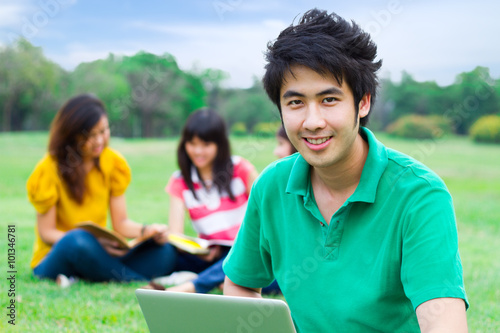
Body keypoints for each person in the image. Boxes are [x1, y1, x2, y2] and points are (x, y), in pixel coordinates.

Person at [223, 8, 468, 333]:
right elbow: (239, 284)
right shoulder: (271, 186)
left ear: (363, 102)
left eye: (329, 100)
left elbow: (443, 321)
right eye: (295, 103)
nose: (312, 122)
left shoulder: (420, 195)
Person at [27, 94, 175, 285]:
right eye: (90, 135)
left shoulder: (112, 163)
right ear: (71, 135)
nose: (99, 141)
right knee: (77, 241)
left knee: (164, 251)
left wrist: (147, 230)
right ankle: (135, 281)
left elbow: (120, 223)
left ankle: (98, 274)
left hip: (98, 253)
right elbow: (47, 232)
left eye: (103, 131)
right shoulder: (49, 169)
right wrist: (92, 243)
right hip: (56, 257)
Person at [153, 108, 279, 294]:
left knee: (243, 259)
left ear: (220, 144)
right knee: (165, 254)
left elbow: (270, 213)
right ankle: (221, 279)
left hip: (248, 251)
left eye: (205, 144)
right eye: (192, 143)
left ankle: (193, 286)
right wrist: (200, 250)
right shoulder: (180, 181)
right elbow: (177, 235)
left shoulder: (240, 169)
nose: (198, 151)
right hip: (208, 256)